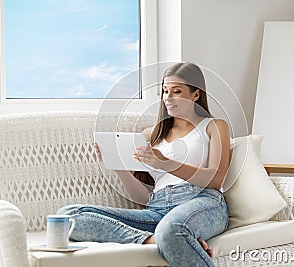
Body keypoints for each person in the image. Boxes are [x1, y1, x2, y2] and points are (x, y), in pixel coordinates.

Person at [57, 62, 231, 267]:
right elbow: (143, 198)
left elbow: (215, 179)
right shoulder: (152, 134)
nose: (168, 97)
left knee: (170, 228)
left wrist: (165, 163)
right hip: (157, 210)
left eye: (177, 91)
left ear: (196, 95)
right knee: (68, 216)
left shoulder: (214, 126)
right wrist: (118, 165)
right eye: (165, 91)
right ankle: (158, 239)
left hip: (203, 201)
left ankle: (172, 234)